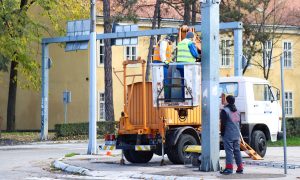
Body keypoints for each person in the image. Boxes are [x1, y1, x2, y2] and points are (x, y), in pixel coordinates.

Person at [220, 95, 244, 175]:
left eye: (225, 100)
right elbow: (240, 124)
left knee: (229, 151)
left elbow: (223, 124)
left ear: (227, 101)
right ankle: (240, 168)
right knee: (237, 151)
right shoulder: (238, 111)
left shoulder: (225, 111)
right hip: (237, 134)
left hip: (228, 134)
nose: (224, 102)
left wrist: (222, 133)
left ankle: (229, 168)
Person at [175, 31, 200, 100]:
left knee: (183, 81)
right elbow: (195, 54)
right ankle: (188, 97)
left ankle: (183, 97)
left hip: (179, 65)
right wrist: (199, 56)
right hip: (187, 65)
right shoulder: (190, 43)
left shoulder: (180, 43)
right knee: (189, 81)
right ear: (191, 38)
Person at [152, 35, 175, 101]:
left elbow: (167, 55)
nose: (171, 44)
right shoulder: (164, 42)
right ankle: (166, 98)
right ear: (169, 40)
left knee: (165, 80)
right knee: (165, 80)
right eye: (171, 42)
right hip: (159, 63)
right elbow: (162, 53)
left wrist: (170, 61)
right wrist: (165, 61)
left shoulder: (166, 43)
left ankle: (165, 97)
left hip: (161, 62)